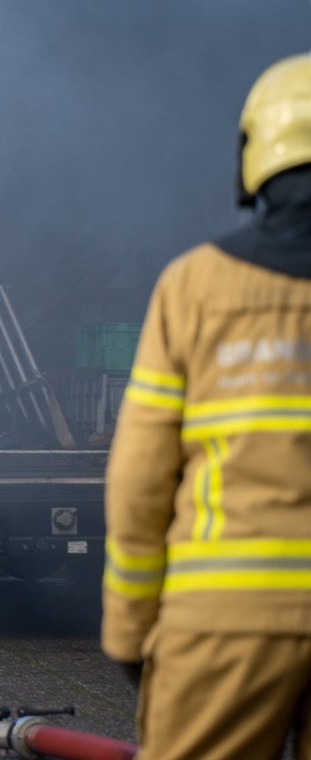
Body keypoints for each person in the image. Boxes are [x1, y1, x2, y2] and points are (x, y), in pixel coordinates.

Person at [103, 53, 311, 760]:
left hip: (225, 620)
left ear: (255, 155)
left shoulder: (196, 287)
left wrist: (130, 632)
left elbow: (140, 479)